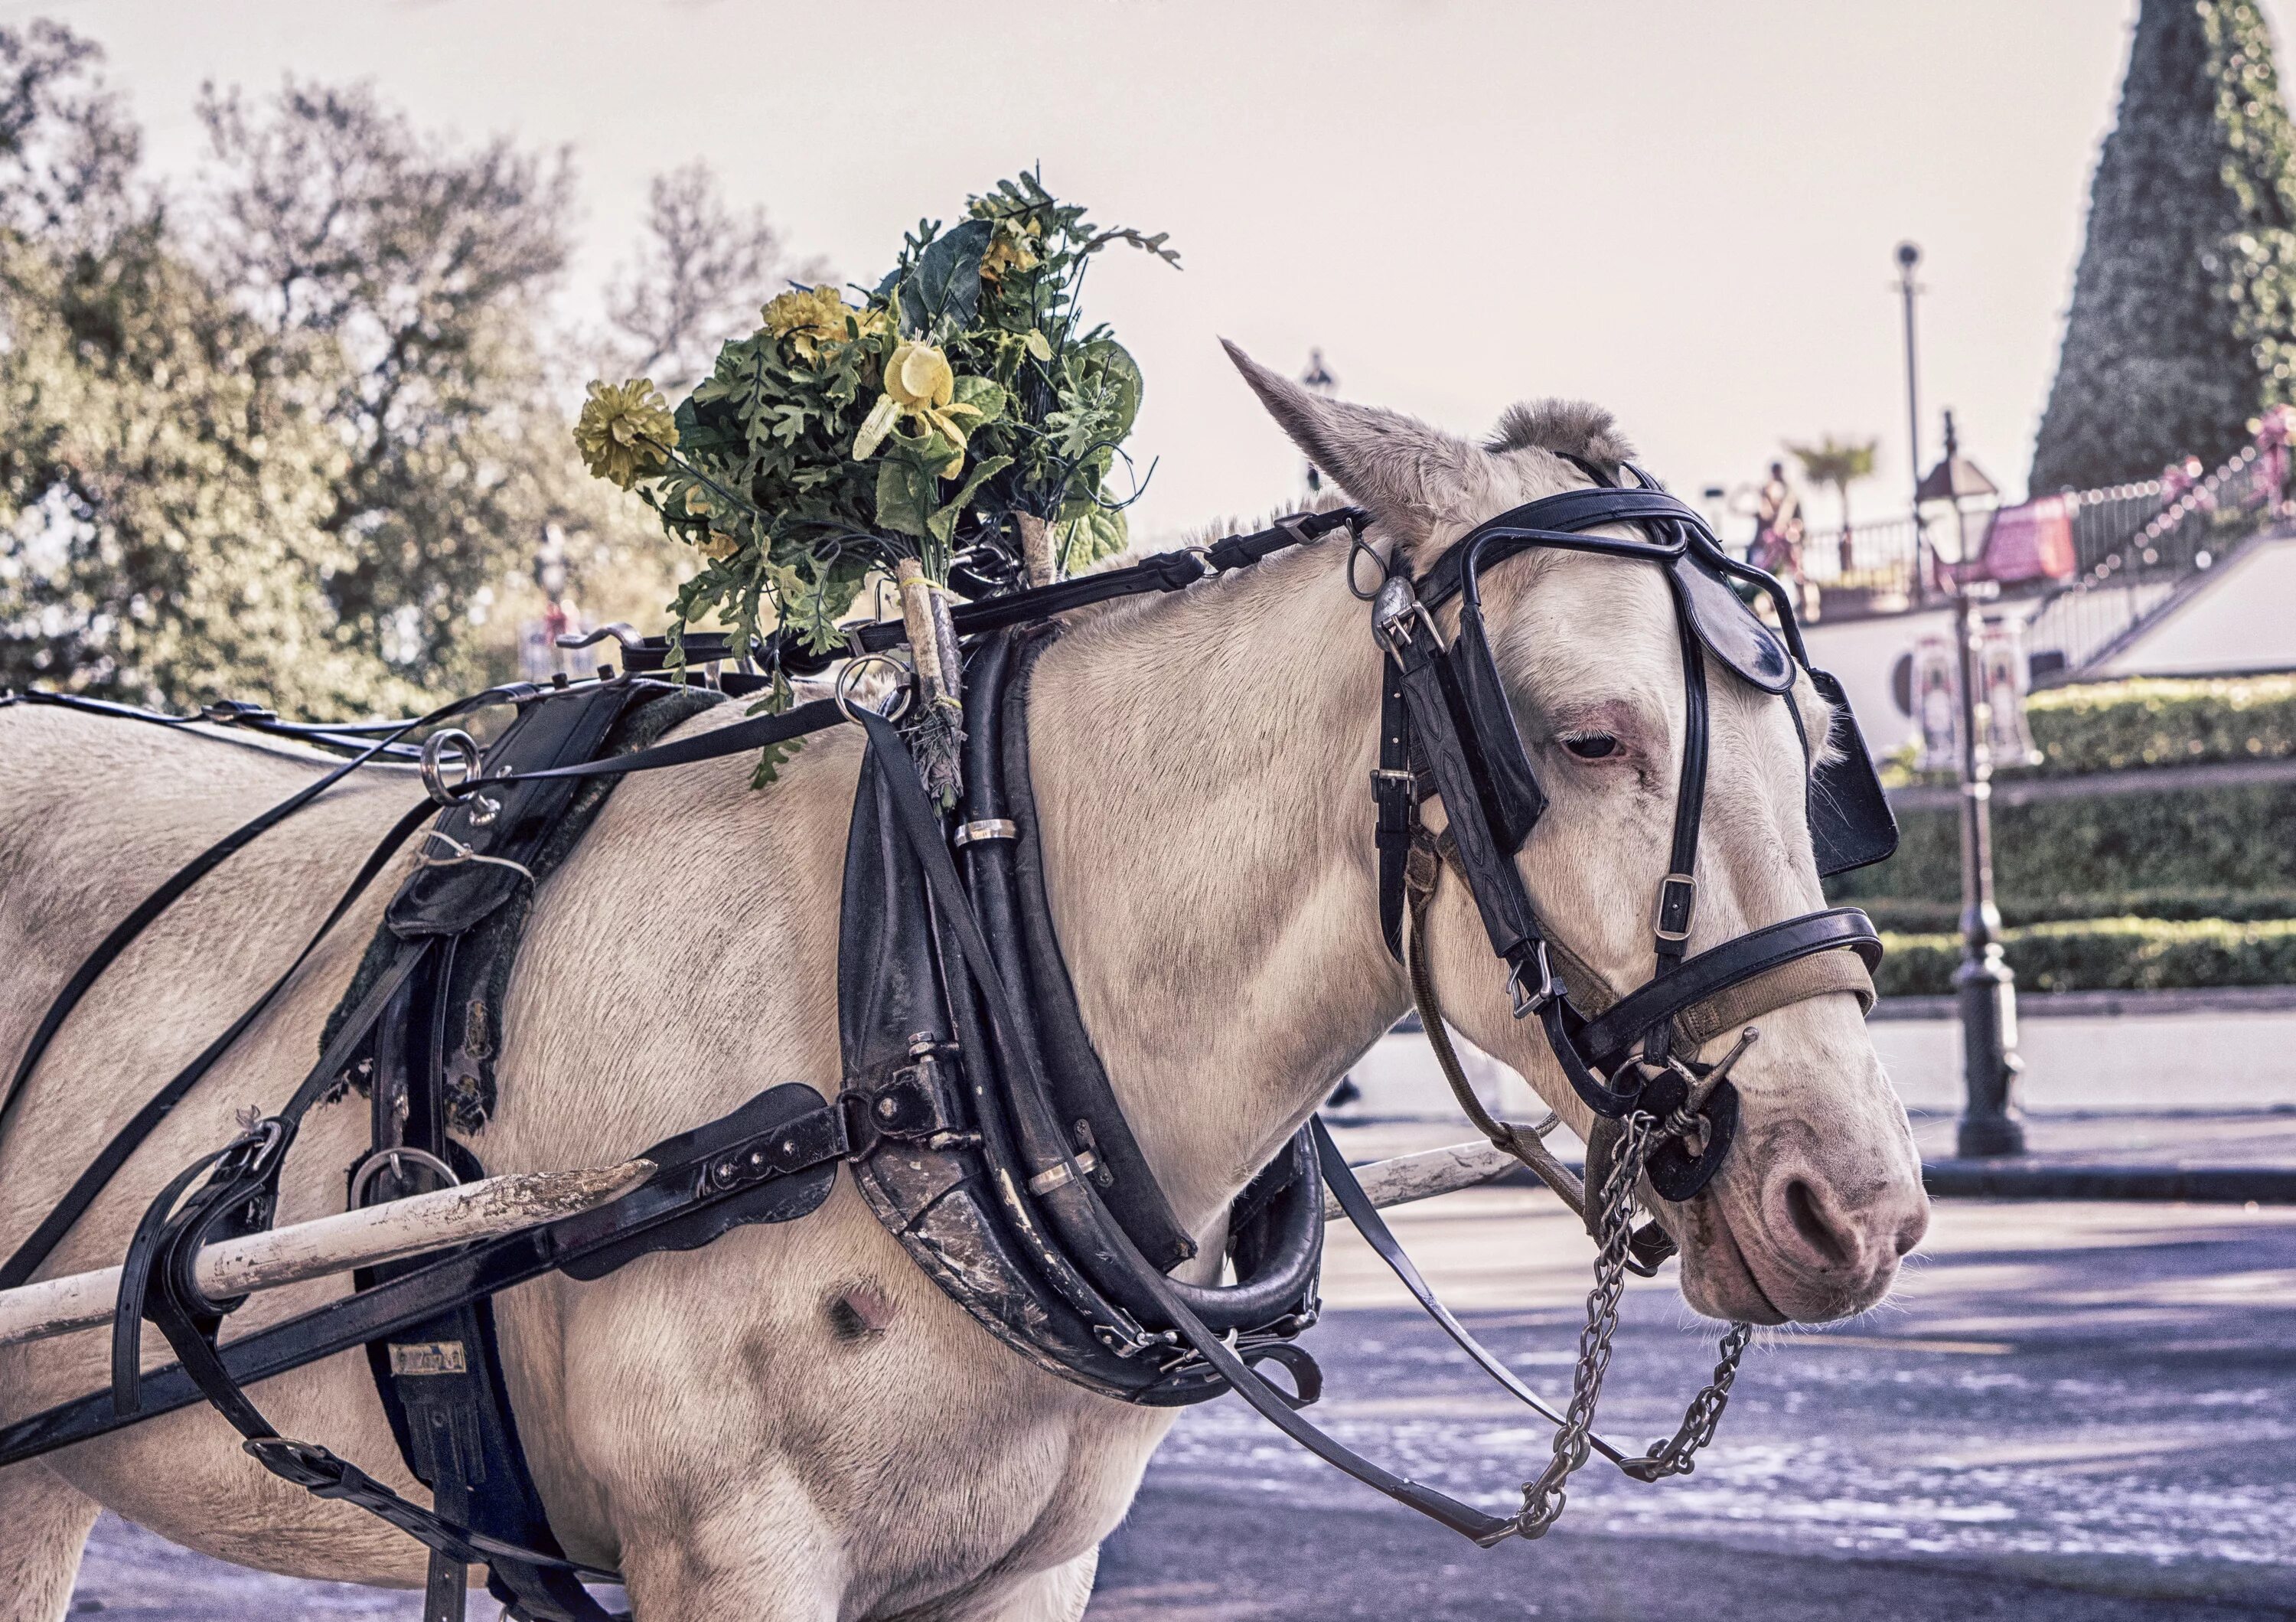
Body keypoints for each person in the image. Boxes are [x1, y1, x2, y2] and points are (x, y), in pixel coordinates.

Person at [1752, 461, 1820, 620]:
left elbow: (1796, 520)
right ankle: (1776, 610)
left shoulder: (1790, 493)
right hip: (1777, 542)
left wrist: (1792, 530)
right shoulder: (1773, 492)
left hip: (1789, 540)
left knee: (1797, 573)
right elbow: (1767, 516)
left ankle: (1808, 608)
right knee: (1772, 574)